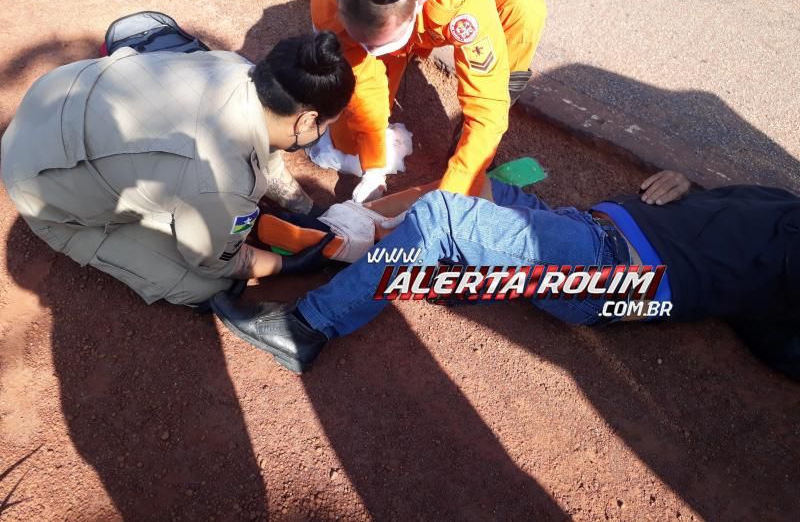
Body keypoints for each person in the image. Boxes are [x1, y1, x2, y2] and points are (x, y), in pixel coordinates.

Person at [210, 170, 800, 377]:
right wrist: (689, 185)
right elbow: (726, 222)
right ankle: (334, 236)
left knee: (442, 216)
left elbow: (780, 341)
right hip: (587, 227)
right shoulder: (780, 198)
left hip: (615, 272)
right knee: (477, 183)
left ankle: (307, 327)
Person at [1, 32, 353, 307]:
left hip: (56, 94)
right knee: (208, 286)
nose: (324, 132)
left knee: (198, 200)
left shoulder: (236, 69)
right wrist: (290, 265)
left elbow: (267, 148)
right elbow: (215, 262)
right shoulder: (225, 181)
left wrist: (306, 210)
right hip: (41, 185)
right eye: (327, 125)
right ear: (306, 120)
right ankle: (84, 232)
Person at [310, 0, 548, 201]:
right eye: (363, 44)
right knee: (349, 145)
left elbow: (486, 106)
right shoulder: (328, 0)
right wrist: (374, 166)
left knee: (523, 6)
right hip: (391, 11)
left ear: (420, 6)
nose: (372, 54)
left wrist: (454, 193)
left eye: (381, 45)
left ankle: (465, 148)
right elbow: (363, 88)